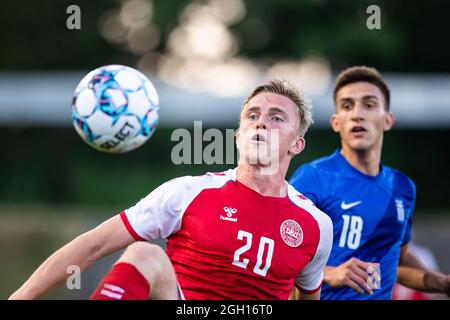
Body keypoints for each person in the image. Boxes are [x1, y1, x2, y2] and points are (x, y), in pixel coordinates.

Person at [9, 79, 333, 300]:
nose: (261, 122)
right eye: (253, 115)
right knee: (145, 253)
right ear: (238, 135)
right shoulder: (189, 192)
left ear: (297, 144)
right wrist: (20, 296)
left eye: (277, 118)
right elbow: (94, 244)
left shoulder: (316, 225)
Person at [289, 66, 450, 300]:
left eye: (369, 104)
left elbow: (399, 262)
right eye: (347, 106)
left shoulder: (402, 187)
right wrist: (328, 273)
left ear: (388, 119)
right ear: (336, 122)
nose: (357, 114)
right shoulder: (313, 178)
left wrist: (443, 282)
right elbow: (279, 255)